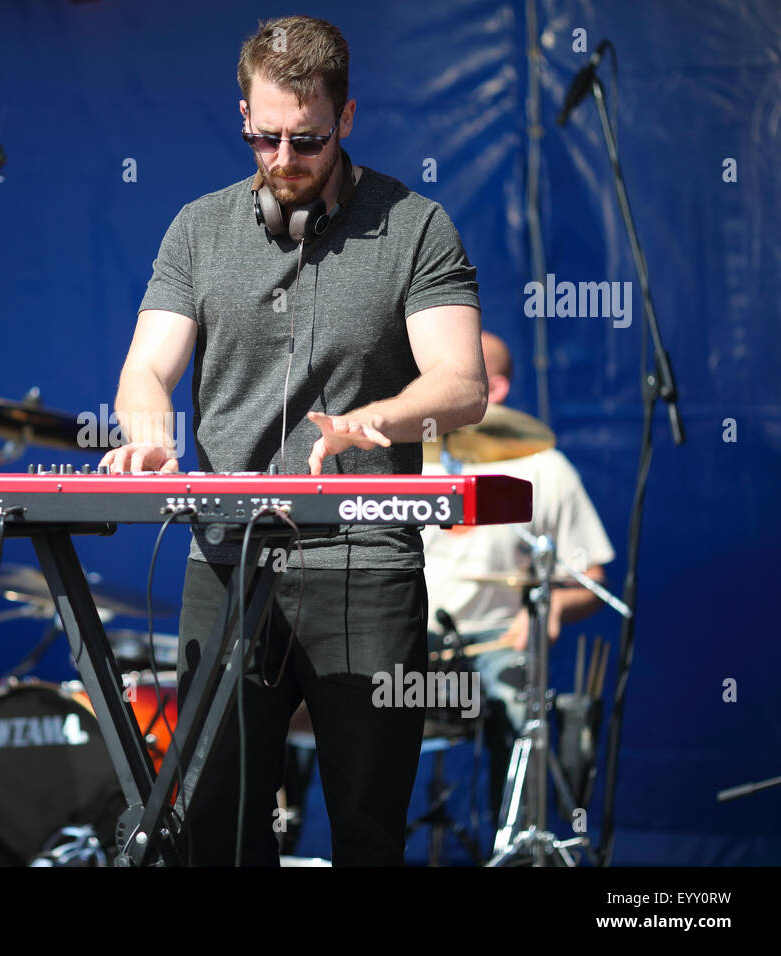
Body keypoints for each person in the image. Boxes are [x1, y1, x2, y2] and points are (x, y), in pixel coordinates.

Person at [100, 16, 487, 865]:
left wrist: (375, 421)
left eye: (306, 140)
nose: (282, 158)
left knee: (367, 829)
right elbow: (145, 370)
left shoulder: (418, 226)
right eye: (263, 136)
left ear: (346, 120)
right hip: (227, 560)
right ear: (242, 113)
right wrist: (148, 437)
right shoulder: (198, 229)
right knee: (215, 829)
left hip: (366, 560)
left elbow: (461, 386)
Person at [421, 331, 614, 824]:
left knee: (518, 693)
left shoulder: (546, 469)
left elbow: (591, 577)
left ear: (496, 389)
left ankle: (518, 842)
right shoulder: (400, 459)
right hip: (405, 635)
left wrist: (542, 612)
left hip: (496, 642)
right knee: (302, 675)